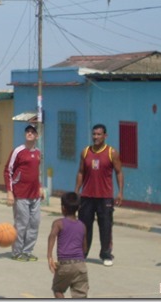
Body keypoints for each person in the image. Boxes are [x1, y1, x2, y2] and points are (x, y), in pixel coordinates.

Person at [75, 123, 123, 267]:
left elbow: (119, 172)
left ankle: (106, 254)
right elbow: (81, 172)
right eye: (94, 134)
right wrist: (76, 192)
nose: (96, 137)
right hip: (87, 196)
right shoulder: (85, 152)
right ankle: (82, 253)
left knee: (106, 226)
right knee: (84, 227)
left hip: (105, 197)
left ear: (105, 136)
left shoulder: (111, 152)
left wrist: (120, 192)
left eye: (99, 134)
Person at [4, 124, 44, 262]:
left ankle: (27, 251)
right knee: (22, 224)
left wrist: (40, 187)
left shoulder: (38, 153)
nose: (30, 133)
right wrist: (10, 192)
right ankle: (17, 252)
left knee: (34, 223)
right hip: (21, 194)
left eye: (32, 132)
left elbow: (38, 173)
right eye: (27, 131)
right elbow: (8, 171)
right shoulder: (18, 151)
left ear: (37, 136)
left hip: (35, 195)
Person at [47, 192, 89, 299]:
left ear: (63, 208)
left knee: (58, 289)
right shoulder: (82, 226)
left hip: (65, 264)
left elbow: (52, 236)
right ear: (78, 208)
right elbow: (85, 248)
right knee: (81, 295)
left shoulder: (58, 223)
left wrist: (49, 256)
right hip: (80, 264)